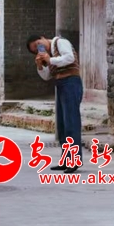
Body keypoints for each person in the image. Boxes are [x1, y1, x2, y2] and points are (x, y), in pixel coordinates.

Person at [26, 34, 83, 174]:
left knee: (71, 123)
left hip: (71, 83)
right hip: (61, 85)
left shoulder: (60, 42)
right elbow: (47, 76)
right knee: (62, 125)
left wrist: (50, 59)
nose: (39, 48)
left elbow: (70, 58)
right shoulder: (49, 55)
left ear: (42, 38)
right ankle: (66, 159)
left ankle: (74, 160)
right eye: (36, 49)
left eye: (38, 44)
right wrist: (40, 65)